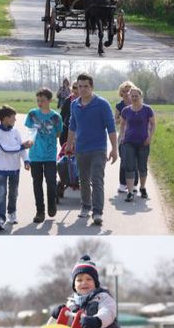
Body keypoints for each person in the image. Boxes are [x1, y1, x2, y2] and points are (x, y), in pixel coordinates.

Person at [65, 74, 118, 227]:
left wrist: (114, 149)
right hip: (81, 149)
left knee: (97, 180)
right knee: (83, 180)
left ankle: (97, 212)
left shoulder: (102, 104)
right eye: (79, 86)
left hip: (98, 149)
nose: (82, 89)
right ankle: (85, 206)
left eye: (85, 86)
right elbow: (72, 125)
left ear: (92, 87)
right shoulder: (74, 104)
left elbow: (111, 127)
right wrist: (69, 145)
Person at [0, 104, 32, 230]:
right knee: (2, 193)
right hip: (1, 169)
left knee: (14, 193)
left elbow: (21, 148)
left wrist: (26, 159)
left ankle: (12, 213)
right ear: (5, 118)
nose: (15, 120)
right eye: (13, 117)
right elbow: (5, 149)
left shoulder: (15, 131)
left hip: (15, 169)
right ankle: (0, 218)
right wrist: (22, 146)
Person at [25, 88, 62, 223]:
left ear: (50, 100)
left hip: (50, 155)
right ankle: (40, 211)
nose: (40, 103)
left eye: (43, 100)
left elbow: (58, 133)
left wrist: (48, 140)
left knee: (51, 182)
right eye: (38, 100)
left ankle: (52, 205)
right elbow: (30, 131)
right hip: (35, 155)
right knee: (37, 183)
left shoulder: (56, 117)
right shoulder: (32, 114)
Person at [118, 86, 155, 202]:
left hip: (143, 142)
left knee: (142, 166)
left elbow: (153, 124)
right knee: (129, 167)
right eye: (132, 96)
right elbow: (122, 124)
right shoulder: (126, 110)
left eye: (136, 96)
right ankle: (130, 192)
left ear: (140, 96)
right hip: (128, 142)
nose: (134, 98)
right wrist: (122, 136)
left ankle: (142, 188)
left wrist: (150, 137)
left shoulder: (147, 110)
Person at [114, 81, 137, 195]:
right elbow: (116, 120)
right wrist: (124, 119)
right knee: (124, 160)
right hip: (123, 136)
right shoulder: (119, 105)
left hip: (137, 135)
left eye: (128, 90)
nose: (126, 93)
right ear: (121, 93)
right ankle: (122, 184)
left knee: (135, 160)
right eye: (124, 91)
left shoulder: (137, 104)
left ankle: (134, 184)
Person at [58, 80, 78, 147]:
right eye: (74, 87)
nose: (76, 90)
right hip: (67, 132)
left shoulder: (87, 102)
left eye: (78, 87)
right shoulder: (68, 100)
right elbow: (61, 117)